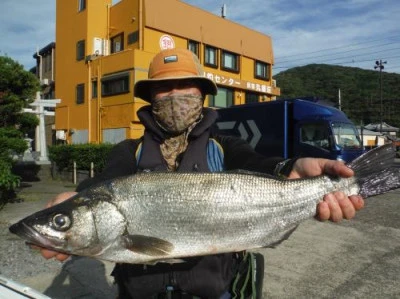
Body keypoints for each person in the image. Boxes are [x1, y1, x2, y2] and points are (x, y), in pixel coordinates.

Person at [39, 48, 364, 298]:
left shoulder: (225, 147)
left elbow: (260, 166)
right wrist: (75, 200)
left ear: (201, 94)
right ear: (151, 97)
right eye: (164, 88)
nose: (175, 95)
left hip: (214, 291)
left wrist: (291, 167)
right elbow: (104, 182)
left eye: (185, 86)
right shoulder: (129, 151)